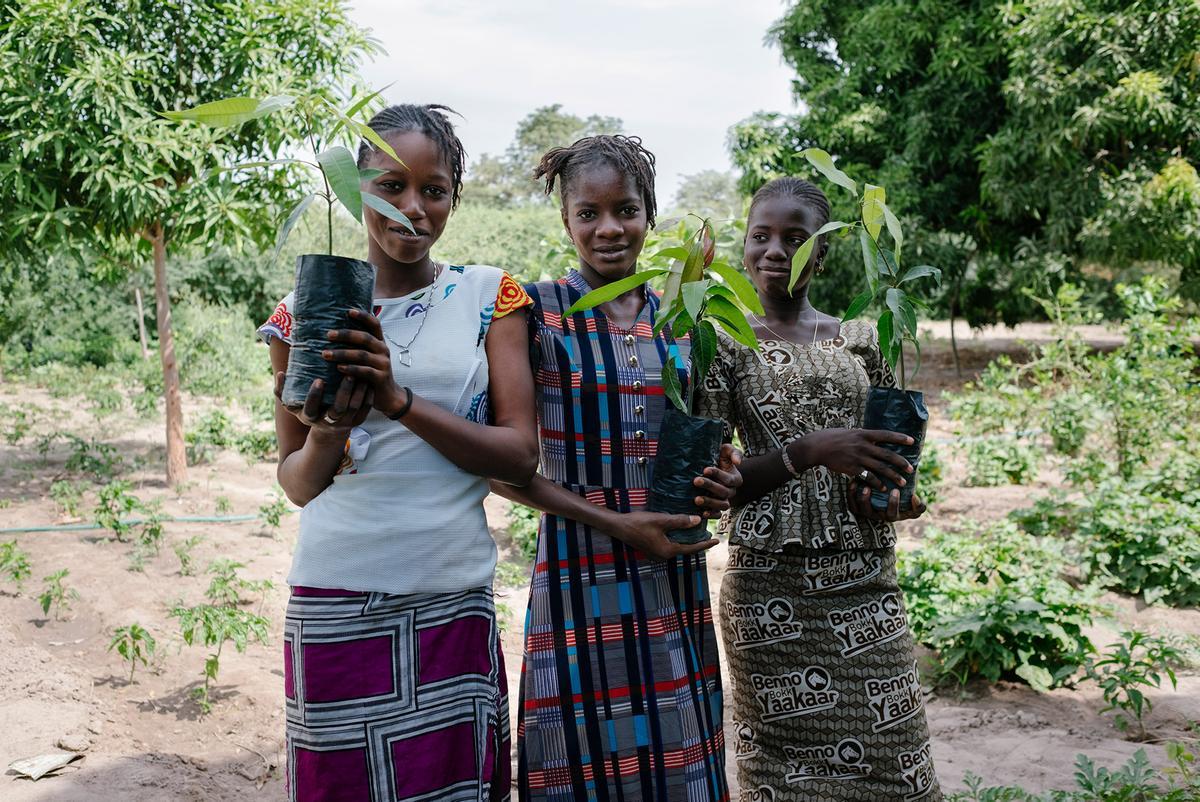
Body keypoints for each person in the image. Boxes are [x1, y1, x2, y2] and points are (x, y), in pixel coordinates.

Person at [260, 104, 538, 802]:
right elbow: (296, 483)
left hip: (451, 597)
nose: (413, 207)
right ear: (354, 192)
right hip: (334, 597)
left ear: (454, 196)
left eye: (435, 189)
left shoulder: (488, 296)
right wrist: (328, 433)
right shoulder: (305, 309)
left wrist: (397, 400)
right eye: (390, 185)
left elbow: (518, 454)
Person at [489, 135, 733, 801]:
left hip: (672, 576)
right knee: (578, 750)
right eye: (587, 213)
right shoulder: (532, 312)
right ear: (565, 221)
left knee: (675, 752)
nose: (608, 229)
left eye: (625, 210)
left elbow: (706, 439)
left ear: (649, 215)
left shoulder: (682, 320)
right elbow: (498, 467)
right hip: (578, 571)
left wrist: (719, 472)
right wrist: (617, 522)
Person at [697, 177, 942, 801]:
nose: (775, 250)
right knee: (782, 775)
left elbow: (890, 455)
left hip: (863, 577)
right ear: (744, 244)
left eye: (795, 238)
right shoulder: (725, 343)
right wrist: (807, 453)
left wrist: (896, 495)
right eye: (761, 236)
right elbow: (714, 483)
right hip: (768, 591)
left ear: (822, 253)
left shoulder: (861, 338)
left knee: (896, 762)